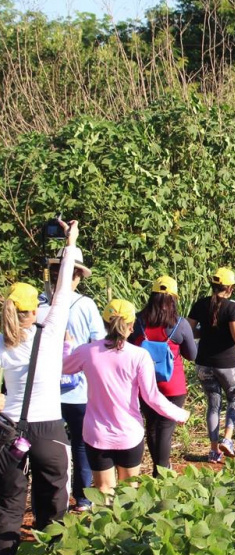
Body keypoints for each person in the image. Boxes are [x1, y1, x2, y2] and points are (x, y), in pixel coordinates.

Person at [0, 220, 78, 555]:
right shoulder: (50, 329)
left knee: (8, 502)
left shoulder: (3, 342)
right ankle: (51, 549)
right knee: (54, 497)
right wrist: (69, 242)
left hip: (9, 426)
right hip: (48, 427)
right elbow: (62, 291)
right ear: (35, 309)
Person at [63, 300, 189, 495]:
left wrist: (67, 345)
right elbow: (152, 397)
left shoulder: (86, 352)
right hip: (129, 434)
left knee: (104, 490)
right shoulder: (139, 355)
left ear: (105, 324)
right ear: (131, 326)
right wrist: (179, 414)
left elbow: (63, 367)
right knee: (128, 492)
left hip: (97, 434)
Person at [36, 247, 102, 512]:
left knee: (49, 447)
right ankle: (83, 497)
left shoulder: (38, 305)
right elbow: (98, 343)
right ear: (76, 277)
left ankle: (52, 499)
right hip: (78, 390)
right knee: (80, 444)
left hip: (44, 391)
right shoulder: (85, 305)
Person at [187, 268, 235, 463]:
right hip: (226, 363)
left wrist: (208, 332)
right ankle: (227, 439)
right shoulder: (230, 308)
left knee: (213, 405)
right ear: (230, 288)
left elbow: (190, 331)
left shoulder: (201, 304)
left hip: (204, 362)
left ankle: (213, 451)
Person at [129, 276, 197, 477]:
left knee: (151, 427)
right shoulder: (179, 324)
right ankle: (161, 471)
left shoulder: (138, 321)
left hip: (145, 384)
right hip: (173, 386)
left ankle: (158, 469)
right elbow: (191, 355)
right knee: (165, 430)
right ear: (174, 299)